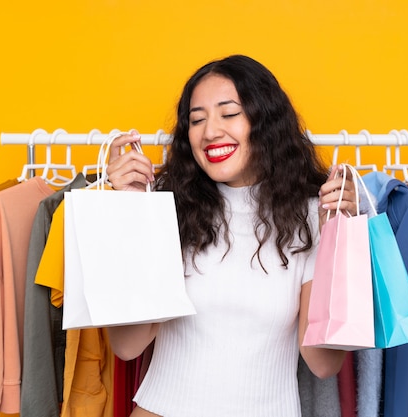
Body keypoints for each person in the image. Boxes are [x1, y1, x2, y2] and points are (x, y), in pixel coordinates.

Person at [106, 54, 357, 417]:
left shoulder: (312, 215)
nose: (210, 131)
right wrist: (131, 212)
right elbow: (127, 345)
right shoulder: (167, 209)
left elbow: (323, 363)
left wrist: (340, 240)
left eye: (229, 113)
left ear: (264, 121)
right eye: (196, 120)